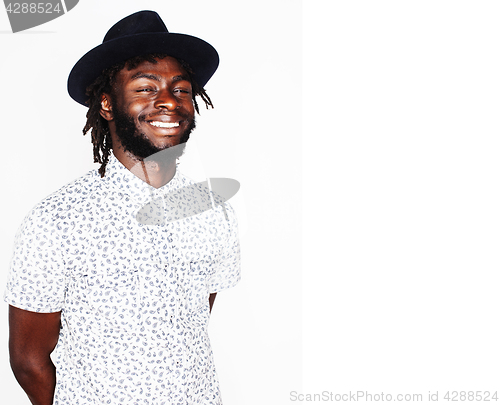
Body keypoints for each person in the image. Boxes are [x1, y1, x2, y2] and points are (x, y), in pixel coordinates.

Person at [4, 10, 241, 405]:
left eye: (181, 89)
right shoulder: (56, 221)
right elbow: (29, 359)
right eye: (146, 88)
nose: (168, 101)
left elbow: (193, 318)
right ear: (107, 105)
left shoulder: (213, 211)